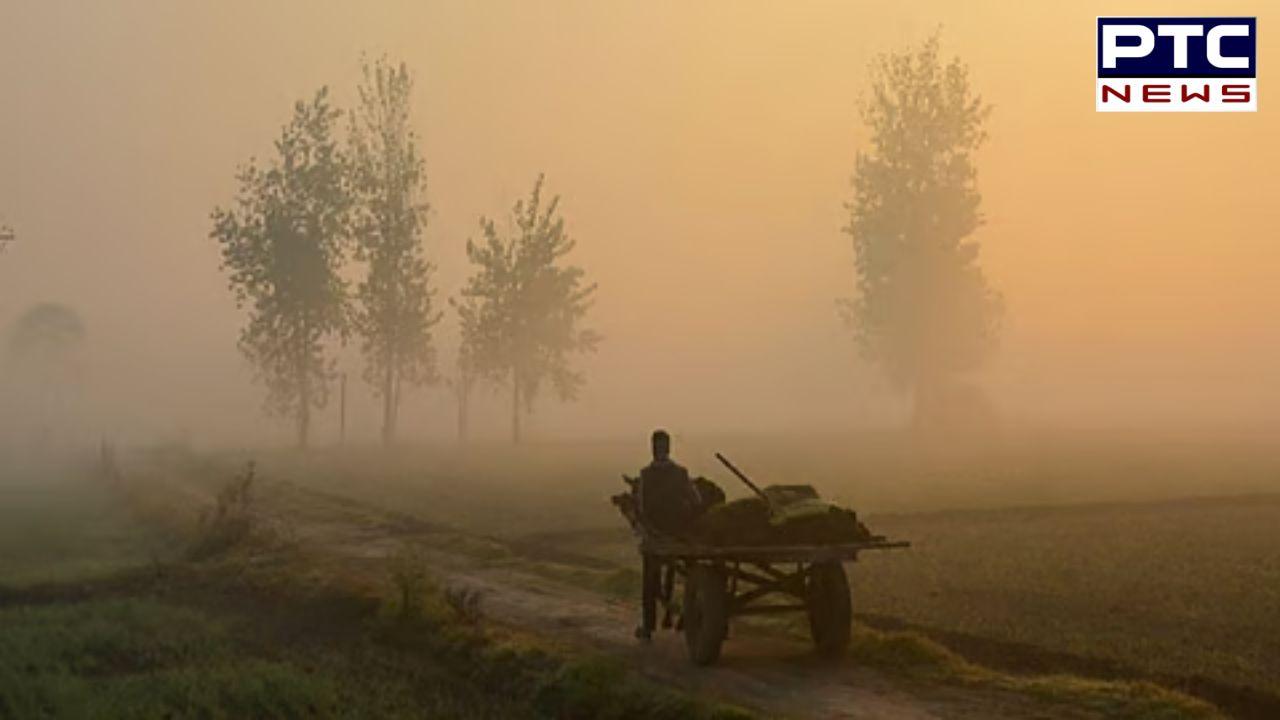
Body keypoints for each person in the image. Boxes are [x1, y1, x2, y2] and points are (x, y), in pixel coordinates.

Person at [635, 429, 699, 641]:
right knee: (691, 573)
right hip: (680, 532)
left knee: (649, 579)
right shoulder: (681, 473)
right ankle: (688, 616)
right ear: (669, 448)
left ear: (653, 449)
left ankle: (648, 625)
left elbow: (642, 508)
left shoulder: (645, 474)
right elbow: (696, 500)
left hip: (657, 534)